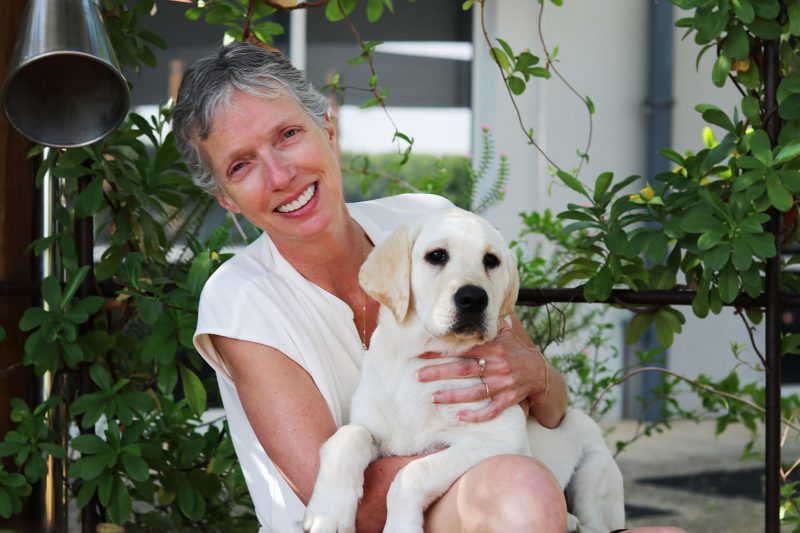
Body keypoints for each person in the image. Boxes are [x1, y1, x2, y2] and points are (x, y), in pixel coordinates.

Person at [175, 42, 685, 533]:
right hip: (412, 516)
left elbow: (549, 412)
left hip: (502, 504)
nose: (280, 174)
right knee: (521, 485)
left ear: (328, 130)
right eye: (241, 165)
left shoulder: (431, 223)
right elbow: (351, 506)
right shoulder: (241, 300)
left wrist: (535, 374)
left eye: (288, 134)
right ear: (227, 200)